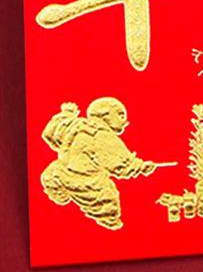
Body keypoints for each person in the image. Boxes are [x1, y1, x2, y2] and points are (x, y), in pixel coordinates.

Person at [40, 97, 157, 230]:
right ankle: (111, 224)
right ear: (105, 115)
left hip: (58, 173)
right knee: (108, 205)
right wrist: (141, 167)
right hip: (88, 184)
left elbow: (50, 133)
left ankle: (59, 193)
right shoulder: (103, 136)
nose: (124, 120)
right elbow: (121, 165)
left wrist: (67, 114)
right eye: (120, 114)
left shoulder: (75, 126)